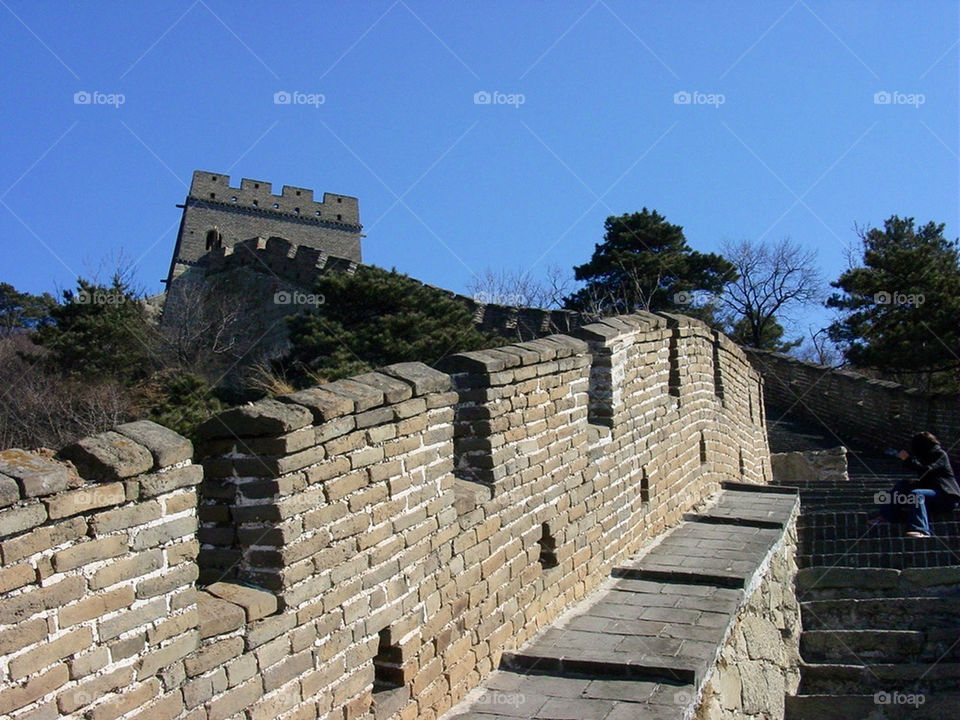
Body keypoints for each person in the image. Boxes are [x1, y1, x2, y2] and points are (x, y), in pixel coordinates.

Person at [868, 432, 960, 537]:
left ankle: (921, 529)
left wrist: (908, 460)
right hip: (932, 492)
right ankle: (886, 516)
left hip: (947, 497)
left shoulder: (939, 454)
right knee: (903, 485)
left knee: (916, 494)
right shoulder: (924, 457)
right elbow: (928, 478)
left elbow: (927, 470)